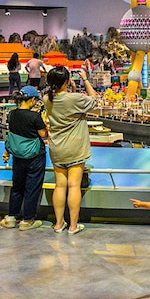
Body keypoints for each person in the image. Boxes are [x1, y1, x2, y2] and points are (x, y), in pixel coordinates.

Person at [43, 65, 97, 234]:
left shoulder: (47, 99)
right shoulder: (74, 99)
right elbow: (94, 99)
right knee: (74, 186)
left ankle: (58, 224)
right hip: (75, 148)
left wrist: (70, 89)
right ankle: (73, 226)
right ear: (67, 81)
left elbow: (65, 104)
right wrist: (85, 79)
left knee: (60, 186)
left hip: (57, 148)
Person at [0, 86, 48, 231]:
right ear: (32, 100)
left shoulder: (12, 114)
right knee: (32, 188)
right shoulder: (34, 117)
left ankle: (11, 217)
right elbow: (44, 135)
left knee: (17, 186)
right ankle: (27, 220)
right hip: (35, 156)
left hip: (18, 155)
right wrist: (44, 121)